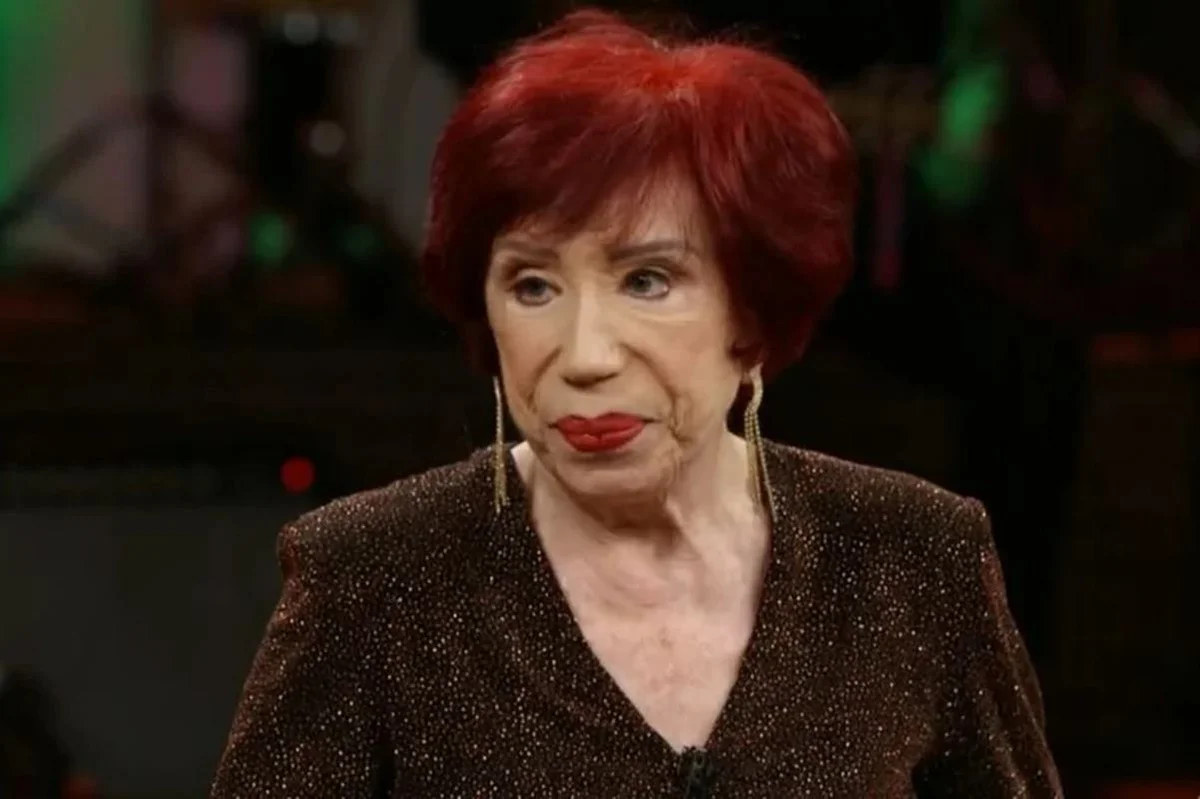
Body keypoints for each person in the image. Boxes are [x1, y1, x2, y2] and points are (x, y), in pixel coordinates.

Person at [211, 9, 1062, 796]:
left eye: (647, 280)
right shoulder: (370, 581)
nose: (585, 356)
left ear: (752, 311)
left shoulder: (913, 562)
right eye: (533, 285)